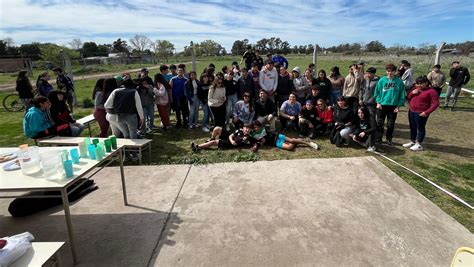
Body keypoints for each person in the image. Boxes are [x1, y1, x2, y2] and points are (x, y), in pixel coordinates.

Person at [403, 76, 439, 151]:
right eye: (417, 83)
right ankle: (412, 141)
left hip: (421, 113)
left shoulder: (431, 91)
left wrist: (426, 112)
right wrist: (412, 93)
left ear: (426, 83)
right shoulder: (415, 89)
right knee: (412, 126)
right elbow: (408, 98)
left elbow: (435, 104)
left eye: (421, 83)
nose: (419, 85)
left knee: (420, 128)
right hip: (412, 111)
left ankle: (418, 143)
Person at [374, 64, 406, 146]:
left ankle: (389, 140)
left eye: (392, 71)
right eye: (388, 71)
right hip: (382, 105)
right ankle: (378, 140)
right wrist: (378, 102)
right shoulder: (382, 80)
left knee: (390, 124)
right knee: (379, 123)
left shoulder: (399, 82)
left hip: (393, 106)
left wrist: (398, 106)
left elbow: (402, 95)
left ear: (395, 71)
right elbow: (376, 92)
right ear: (386, 71)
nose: (390, 73)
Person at [104, 74, 144, 142]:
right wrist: (141, 117)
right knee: (133, 135)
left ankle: (127, 151)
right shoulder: (134, 92)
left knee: (126, 134)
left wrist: (116, 108)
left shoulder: (115, 91)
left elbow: (106, 105)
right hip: (131, 116)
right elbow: (139, 106)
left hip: (119, 116)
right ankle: (134, 151)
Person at [191, 123, 256, 152]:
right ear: (243, 128)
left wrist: (254, 146)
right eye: (246, 128)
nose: (247, 130)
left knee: (214, 142)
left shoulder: (248, 137)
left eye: (249, 129)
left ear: (251, 130)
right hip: (230, 138)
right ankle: (212, 137)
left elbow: (255, 142)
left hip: (229, 144)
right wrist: (232, 140)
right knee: (217, 128)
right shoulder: (240, 130)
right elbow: (231, 135)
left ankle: (197, 147)